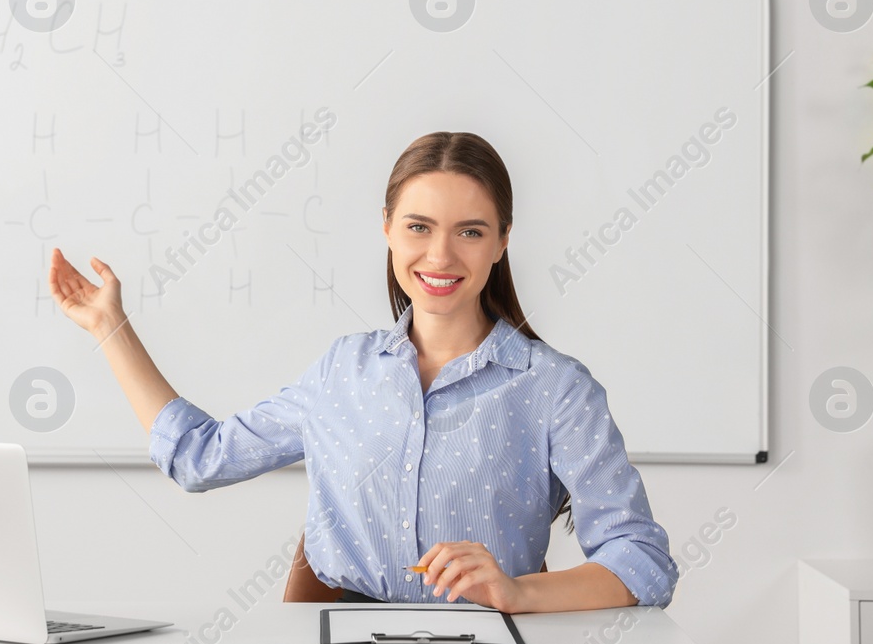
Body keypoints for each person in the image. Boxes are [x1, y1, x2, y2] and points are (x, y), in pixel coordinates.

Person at [47, 130, 678, 613]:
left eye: (470, 231)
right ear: (386, 230)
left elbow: (643, 560)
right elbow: (197, 455)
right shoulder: (342, 372)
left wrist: (520, 592)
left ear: (502, 241)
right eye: (418, 227)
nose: (440, 255)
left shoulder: (554, 389)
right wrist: (110, 328)